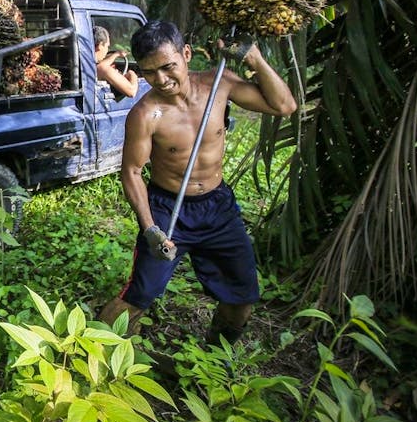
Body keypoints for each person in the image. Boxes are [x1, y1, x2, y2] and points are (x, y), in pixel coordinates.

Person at [98, 21, 297, 345]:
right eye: (149, 73)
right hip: (167, 209)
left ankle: (214, 355)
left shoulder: (219, 85)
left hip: (217, 208)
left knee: (241, 297)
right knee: (138, 295)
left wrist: (254, 59)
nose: (160, 80)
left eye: (168, 67)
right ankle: (99, 354)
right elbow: (132, 172)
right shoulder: (146, 114)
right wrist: (150, 229)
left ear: (186, 54)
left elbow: (284, 106)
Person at [94, 25, 140, 98]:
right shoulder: (102, 68)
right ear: (100, 46)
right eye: (107, 46)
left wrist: (115, 55)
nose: (107, 50)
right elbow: (132, 92)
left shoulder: (85, 64)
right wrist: (132, 75)